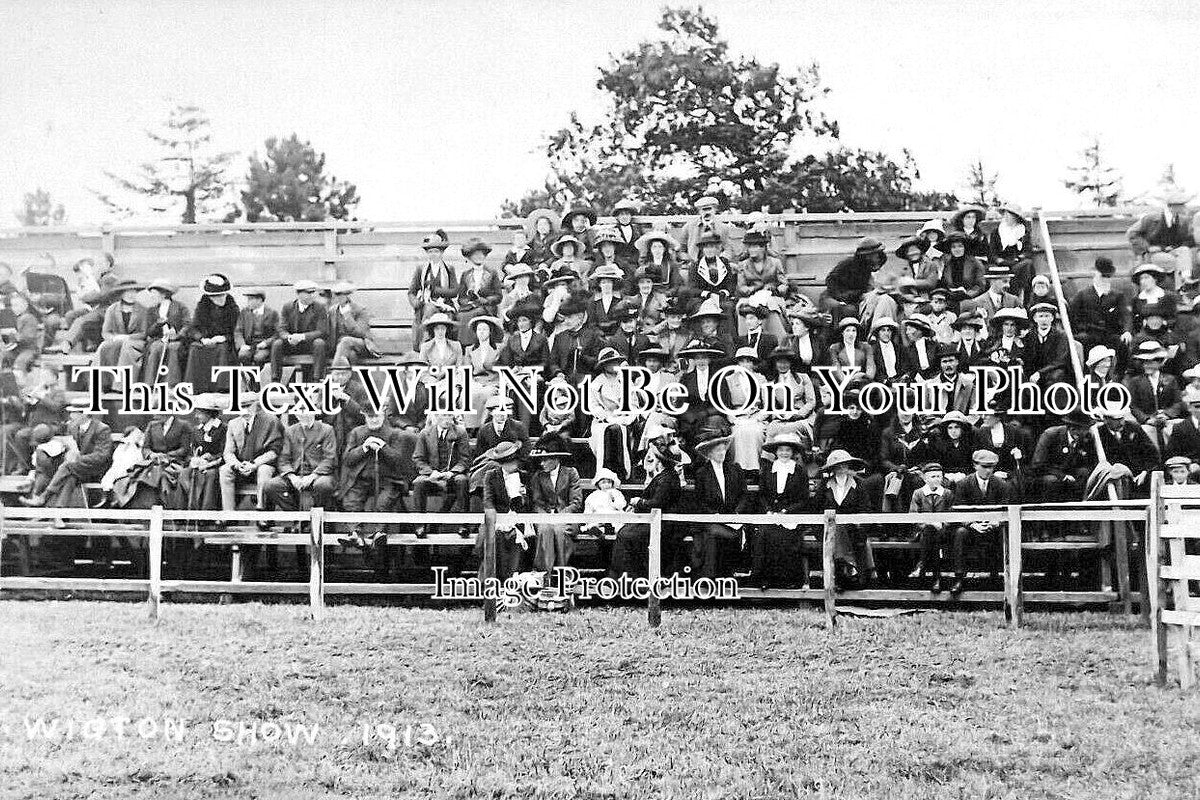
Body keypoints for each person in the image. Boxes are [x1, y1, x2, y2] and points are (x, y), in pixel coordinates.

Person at [21, 399, 114, 520]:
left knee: (67, 467)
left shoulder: (102, 429)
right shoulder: (73, 426)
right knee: (70, 475)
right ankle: (59, 514)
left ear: (85, 414)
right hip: (77, 469)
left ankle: (44, 497)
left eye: (74, 413)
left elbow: (102, 456)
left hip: (95, 469)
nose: (71, 416)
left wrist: (78, 459)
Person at [263, 409, 338, 554]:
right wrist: (291, 476)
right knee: (271, 485)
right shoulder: (290, 431)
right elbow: (283, 458)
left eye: (307, 412)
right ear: (296, 415)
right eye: (300, 413)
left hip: (319, 474)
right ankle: (297, 517)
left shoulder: (327, 430)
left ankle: (314, 518)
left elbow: (330, 458)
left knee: (324, 485)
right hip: (296, 474)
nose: (304, 416)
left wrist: (313, 476)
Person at [609, 442, 682, 580]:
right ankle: (623, 577)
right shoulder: (662, 476)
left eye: (652, 458)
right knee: (624, 531)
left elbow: (657, 504)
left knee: (626, 535)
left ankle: (630, 578)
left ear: (660, 462)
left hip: (665, 523)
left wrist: (639, 502)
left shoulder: (667, 478)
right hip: (655, 520)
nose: (648, 460)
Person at [338, 408, 407, 550]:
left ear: (383, 415)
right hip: (361, 479)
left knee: (383, 502)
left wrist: (383, 447)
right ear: (364, 416)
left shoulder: (394, 434)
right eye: (370, 417)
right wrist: (364, 447)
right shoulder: (356, 433)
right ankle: (354, 534)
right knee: (351, 500)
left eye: (377, 416)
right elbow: (348, 459)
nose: (374, 420)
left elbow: (398, 460)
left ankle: (378, 533)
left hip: (388, 480)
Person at [947, 449, 1013, 596]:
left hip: (993, 528)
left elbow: (1005, 508)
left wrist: (995, 522)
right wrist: (972, 524)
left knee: (1005, 533)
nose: (988, 470)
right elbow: (957, 510)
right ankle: (959, 578)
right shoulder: (963, 484)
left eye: (991, 467)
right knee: (960, 533)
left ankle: (997, 577)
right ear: (975, 465)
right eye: (984, 466)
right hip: (971, 528)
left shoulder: (1001, 485)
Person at [691, 428, 753, 580]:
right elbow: (699, 501)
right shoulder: (702, 473)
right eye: (718, 451)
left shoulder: (735, 469)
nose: (722, 453)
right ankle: (710, 578)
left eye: (723, 450)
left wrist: (737, 512)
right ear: (710, 453)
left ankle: (727, 575)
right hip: (712, 518)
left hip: (733, 518)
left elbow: (744, 495)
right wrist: (713, 514)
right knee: (714, 534)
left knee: (736, 533)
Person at [220, 397, 284, 533]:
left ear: (256, 405)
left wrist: (254, 464)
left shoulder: (271, 421)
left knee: (265, 470)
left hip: (261, 465)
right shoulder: (233, 423)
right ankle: (229, 514)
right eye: (240, 405)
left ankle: (262, 513)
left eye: (248, 405)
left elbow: (274, 451)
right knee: (225, 470)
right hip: (241, 467)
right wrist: (237, 465)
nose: (245, 409)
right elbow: (228, 452)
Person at [469, 439, 529, 582]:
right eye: (508, 461)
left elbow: (528, 505)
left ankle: (511, 579)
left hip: (517, 519)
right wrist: (496, 519)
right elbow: (488, 501)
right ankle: (490, 580)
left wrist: (523, 496)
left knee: (515, 537)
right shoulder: (491, 475)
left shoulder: (524, 475)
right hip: (496, 518)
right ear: (501, 462)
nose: (513, 464)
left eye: (514, 461)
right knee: (495, 536)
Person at [528, 433, 583, 575]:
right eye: (541, 460)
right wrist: (546, 517)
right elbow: (537, 503)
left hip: (567, 517)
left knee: (560, 530)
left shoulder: (571, 473)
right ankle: (544, 573)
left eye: (545, 460)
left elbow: (576, 502)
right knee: (544, 529)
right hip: (545, 517)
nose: (542, 463)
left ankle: (563, 572)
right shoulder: (538, 476)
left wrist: (561, 516)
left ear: (556, 459)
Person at [410, 411, 471, 539]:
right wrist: (431, 472)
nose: (447, 419)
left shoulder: (460, 433)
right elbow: (418, 458)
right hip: (431, 475)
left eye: (450, 415)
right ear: (436, 416)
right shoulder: (425, 433)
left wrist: (452, 472)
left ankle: (463, 524)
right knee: (418, 483)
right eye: (444, 415)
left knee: (462, 480)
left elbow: (465, 459)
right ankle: (420, 525)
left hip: (452, 476)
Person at [818, 448, 872, 590]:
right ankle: (849, 566)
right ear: (833, 468)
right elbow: (816, 508)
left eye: (844, 464)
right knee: (837, 529)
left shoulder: (859, 484)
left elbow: (865, 508)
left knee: (843, 530)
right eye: (838, 465)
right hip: (829, 527)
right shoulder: (825, 485)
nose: (842, 468)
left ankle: (846, 570)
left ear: (849, 465)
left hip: (854, 528)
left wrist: (857, 522)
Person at [1068, 257, 1132, 373]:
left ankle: (1118, 376)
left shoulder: (1117, 296)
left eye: (1107, 277)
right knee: (1079, 343)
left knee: (1122, 345)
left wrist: (1126, 331)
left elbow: (1125, 315)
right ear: (1095, 275)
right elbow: (1071, 315)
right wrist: (1076, 332)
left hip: (1110, 334)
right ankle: (1086, 377)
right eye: (1102, 276)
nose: (1104, 280)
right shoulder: (1082, 295)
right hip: (1089, 334)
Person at [1126, 187, 1197, 287]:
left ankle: (1186, 279)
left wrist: (1179, 247)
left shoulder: (1182, 221)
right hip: (1155, 253)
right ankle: (1180, 289)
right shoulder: (1152, 218)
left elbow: (1189, 239)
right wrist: (1148, 247)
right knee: (1174, 261)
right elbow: (1132, 233)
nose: (1184, 207)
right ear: (1172, 206)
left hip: (1172, 251)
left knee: (1184, 251)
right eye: (1181, 205)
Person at [270, 279, 329, 382]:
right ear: (298, 294)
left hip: (309, 345)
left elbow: (321, 331)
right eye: (308, 293)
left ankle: (316, 379)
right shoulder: (288, 307)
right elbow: (281, 328)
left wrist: (302, 337)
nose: (312, 295)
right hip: (292, 344)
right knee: (277, 344)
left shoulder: (319, 308)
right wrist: (289, 337)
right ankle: (275, 381)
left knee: (320, 343)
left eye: (313, 292)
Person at [94, 277, 148, 386]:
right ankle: (102, 384)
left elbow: (144, 333)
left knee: (127, 347)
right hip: (117, 340)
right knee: (104, 347)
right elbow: (106, 332)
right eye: (128, 292)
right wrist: (114, 338)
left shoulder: (142, 310)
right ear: (122, 294)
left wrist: (128, 338)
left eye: (133, 292)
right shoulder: (112, 309)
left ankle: (122, 385)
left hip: (136, 342)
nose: (131, 295)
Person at [909, 462, 953, 593]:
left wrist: (943, 524)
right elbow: (913, 515)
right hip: (923, 532)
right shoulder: (918, 493)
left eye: (939, 476)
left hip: (943, 531)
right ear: (925, 478)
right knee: (930, 531)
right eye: (933, 476)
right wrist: (928, 523)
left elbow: (951, 514)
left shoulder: (947, 493)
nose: (937, 479)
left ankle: (922, 565)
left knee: (933, 534)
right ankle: (936, 578)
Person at [820, 237, 886, 321]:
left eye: (878, 254)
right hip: (834, 296)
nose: (877, 257)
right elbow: (830, 281)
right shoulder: (848, 264)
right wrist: (841, 298)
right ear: (866, 256)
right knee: (848, 310)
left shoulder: (873, 268)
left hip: (856, 298)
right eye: (874, 255)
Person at [140, 279, 190, 385]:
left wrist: (177, 335)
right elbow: (148, 331)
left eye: (154, 293)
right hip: (158, 339)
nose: (152, 296)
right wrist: (158, 323)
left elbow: (187, 325)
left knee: (173, 348)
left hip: (177, 340)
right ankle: (151, 382)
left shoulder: (180, 307)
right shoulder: (151, 310)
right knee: (155, 348)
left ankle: (171, 382)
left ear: (163, 294)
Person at [456, 238, 503, 347]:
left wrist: (485, 300)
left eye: (481, 254)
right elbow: (461, 297)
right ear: (470, 257)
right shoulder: (465, 274)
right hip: (470, 306)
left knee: (476, 313)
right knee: (461, 316)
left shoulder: (492, 273)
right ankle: (464, 347)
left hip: (487, 307)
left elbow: (498, 296)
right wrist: (469, 302)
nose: (479, 257)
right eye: (475, 255)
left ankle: (474, 346)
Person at [989, 205, 1034, 300]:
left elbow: (1028, 251)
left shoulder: (1023, 232)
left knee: (1027, 265)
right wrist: (999, 260)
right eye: (1006, 215)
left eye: (1010, 215)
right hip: (1001, 263)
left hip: (1017, 262)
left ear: (1016, 217)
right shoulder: (997, 232)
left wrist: (1019, 258)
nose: (1007, 217)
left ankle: (1020, 297)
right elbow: (992, 252)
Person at [327, 281, 378, 365]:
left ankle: (335, 372)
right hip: (341, 348)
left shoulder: (360, 310)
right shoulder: (332, 311)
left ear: (348, 295)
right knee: (351, 355)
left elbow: (361, 333)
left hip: (360, 344)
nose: (339, 297)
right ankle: (349, 377)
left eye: (342, 294)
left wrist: (348, 316)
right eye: (337, 294)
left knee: (345, 340)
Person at [679, 195, 738, 264]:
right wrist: (689, 260)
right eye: (704, 210)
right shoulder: (689, 227)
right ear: (699, 211)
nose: (707, 213)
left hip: (717, 263)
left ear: (715, 210)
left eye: (709, 209)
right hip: (695, 263)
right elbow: (682, 249)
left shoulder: (723, 227)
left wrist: (722, 260)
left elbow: (728, 248)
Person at [234, 288, 279, 374]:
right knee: (243, 355)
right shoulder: (244, 312)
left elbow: (277, 333)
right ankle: (252, 380)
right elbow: (238, 331)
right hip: (248, 344)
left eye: (250, 299)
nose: (248, 302)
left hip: (264, 346)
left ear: (259, 300)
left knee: (259, 358)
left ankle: (253, 381)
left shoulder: (272, 313)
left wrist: (266, 343)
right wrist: (242, 345)